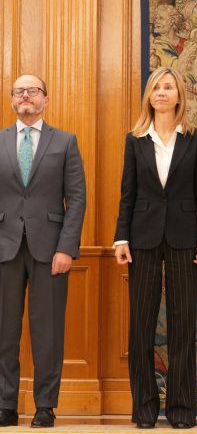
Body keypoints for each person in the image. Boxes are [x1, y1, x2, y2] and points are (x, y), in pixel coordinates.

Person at [114, 66, 197, 430]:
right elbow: (128, 193)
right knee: (141, 326)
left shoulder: (196, 139)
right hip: (142, 239)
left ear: (178, 95)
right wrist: (121, 238)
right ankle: (144, 409)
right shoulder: (135, 139)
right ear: (149, 96)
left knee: (182, 325)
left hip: (185, 239)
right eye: (156, 87)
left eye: (168, 87)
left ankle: (182, 409)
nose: (161, 92)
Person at [0, 75, 86, 428]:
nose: (26, 96)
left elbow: (77, 199)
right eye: (19, 91)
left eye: (32, 91)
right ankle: (5, 404)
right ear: (12, 100)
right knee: (4, 331)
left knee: (47, 332)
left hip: (51, 251)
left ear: (45, 100)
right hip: (3, 248)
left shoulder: (65, 141)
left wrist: (66, 247)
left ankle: (46, 406)